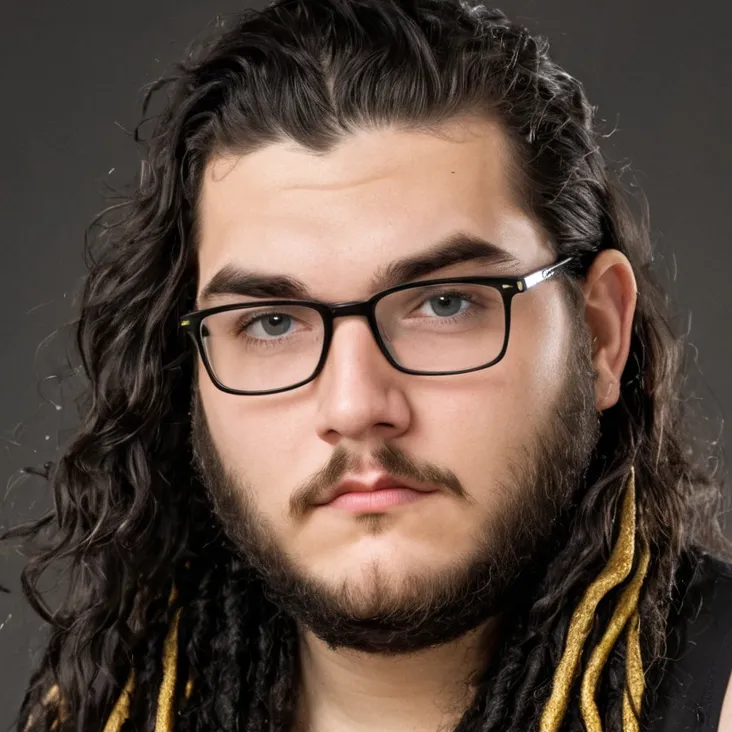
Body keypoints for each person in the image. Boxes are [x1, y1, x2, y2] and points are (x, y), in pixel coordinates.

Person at [4, 0, 732, 730]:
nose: (354, 406)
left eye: (445, 304)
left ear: (601, 334)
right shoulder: (105, 713)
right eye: (271, 322)